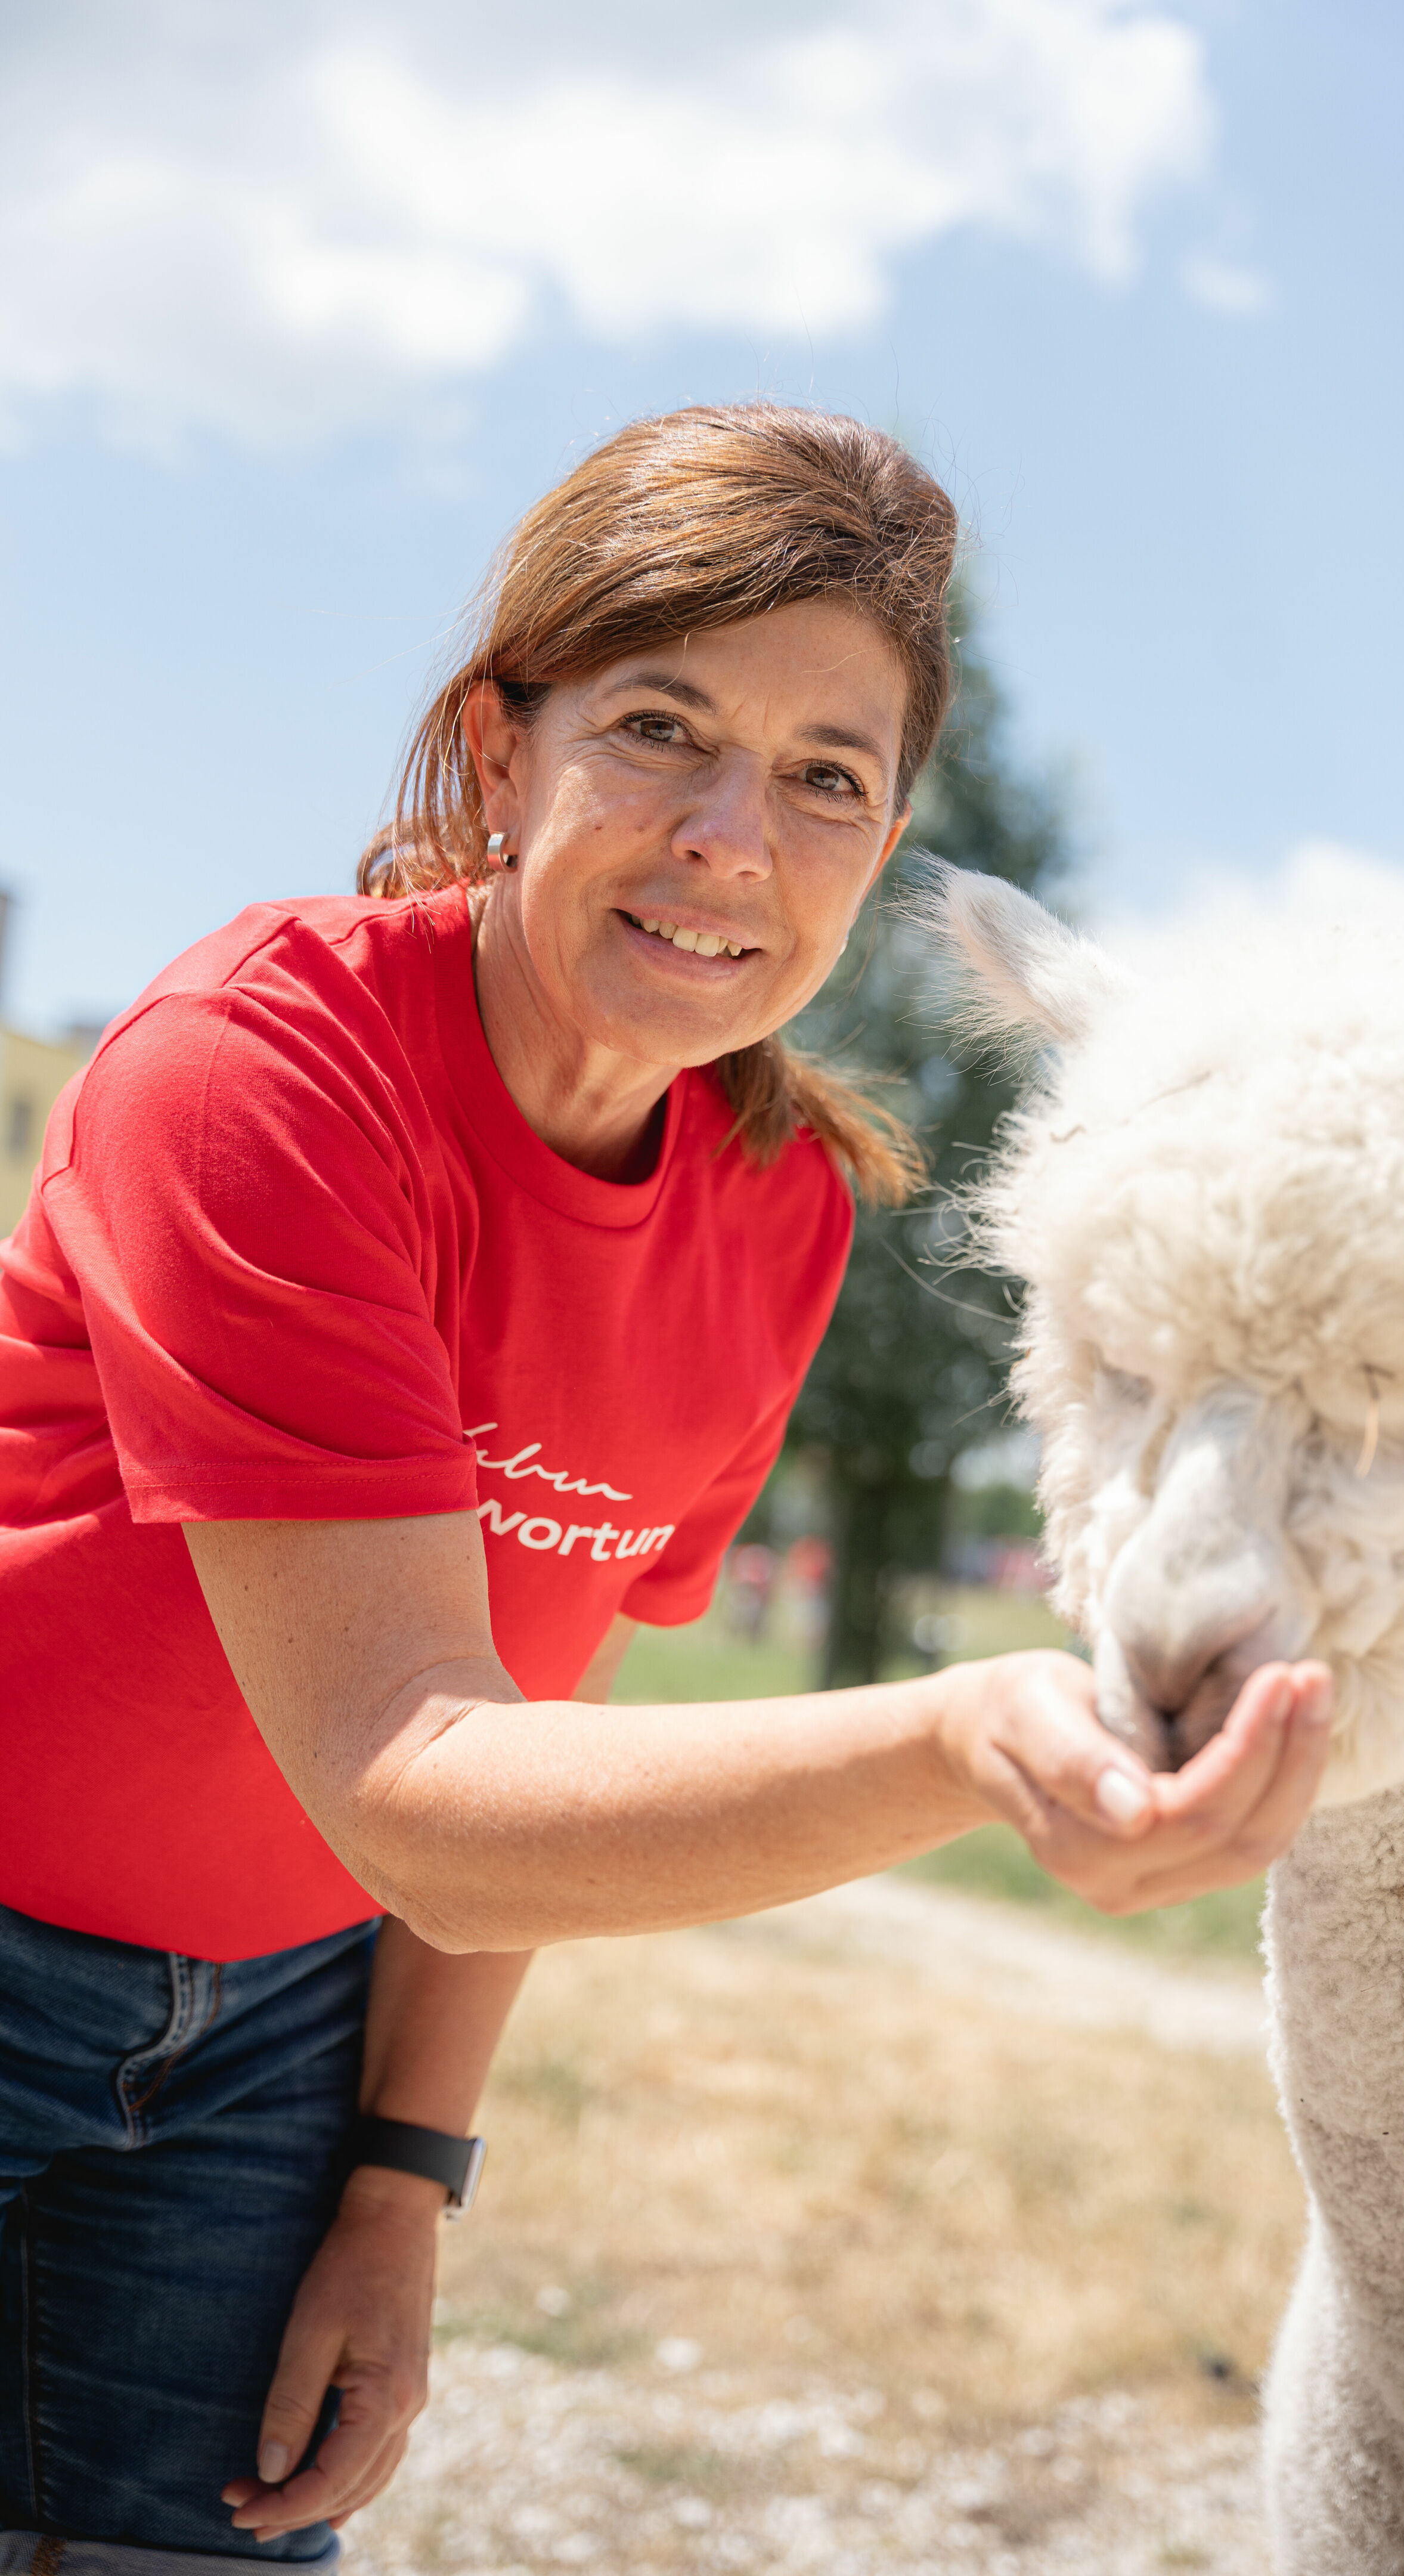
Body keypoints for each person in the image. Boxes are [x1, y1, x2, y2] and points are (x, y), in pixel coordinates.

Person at [0, 403, 1331, 2572]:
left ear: (884, 846)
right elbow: (419, 1776)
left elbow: (546, 1703)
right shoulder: (260, 1074)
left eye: (826, 777)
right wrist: (965, 1738)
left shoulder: (780, 1202)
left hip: (280, 2026)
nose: (732, 838)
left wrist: (400, 2176)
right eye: (660, 728)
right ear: (499, 747)